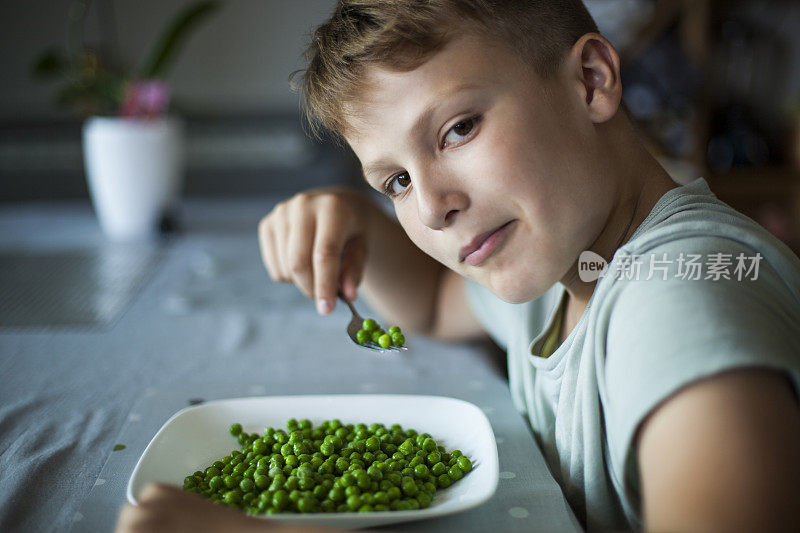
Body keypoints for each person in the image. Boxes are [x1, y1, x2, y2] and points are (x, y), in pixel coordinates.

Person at [118, 1, 800, 531]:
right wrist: (355, 221)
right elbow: (436, 301)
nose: (434, 207)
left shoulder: (679, 302)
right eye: (397, 183)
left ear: (591, 81)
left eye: (458, 129)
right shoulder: (566, 254)